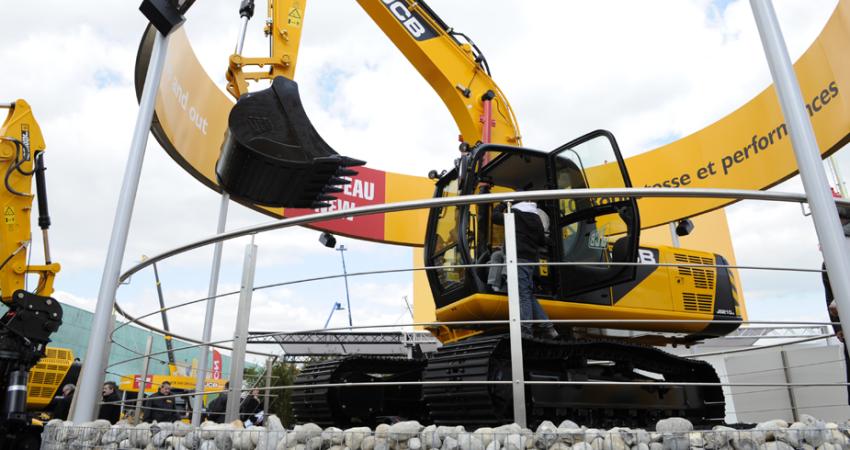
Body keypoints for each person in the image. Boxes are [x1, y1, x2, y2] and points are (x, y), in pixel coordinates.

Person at [493, 200, 559, 340]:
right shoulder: (536, 218)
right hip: (530, 260)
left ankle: (526, 331)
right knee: (527, 294)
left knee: (522, 295)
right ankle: (548, 328)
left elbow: (495, 217)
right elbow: (541, 240)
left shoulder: (515, 215)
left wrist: (503, 204)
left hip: (517, 259)